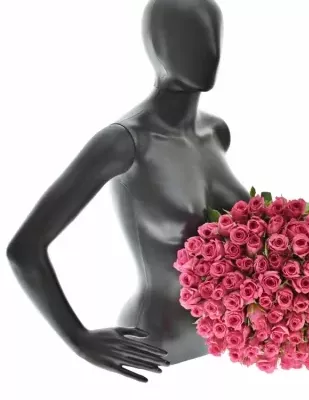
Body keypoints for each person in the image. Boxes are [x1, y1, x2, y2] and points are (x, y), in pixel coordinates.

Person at [6, 0, 250, 383]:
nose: (205, 49)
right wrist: (78, 339)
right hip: (154, 352)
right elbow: (24, 249)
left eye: (211, 35)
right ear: (154, 45)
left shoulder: (216, 133)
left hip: (228, 346)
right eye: (184, 37)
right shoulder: (124, 142)